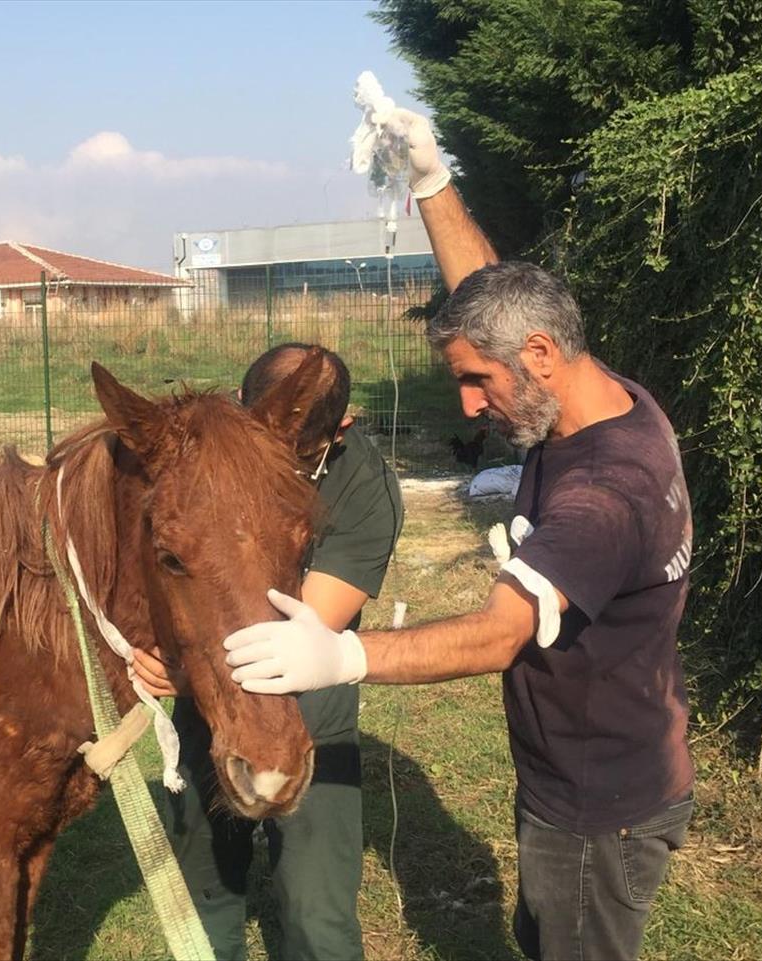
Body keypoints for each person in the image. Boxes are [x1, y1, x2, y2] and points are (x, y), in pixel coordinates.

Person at [222, 108, 695, 961]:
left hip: (599, 801)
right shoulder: (586, 395)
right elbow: (490, 298)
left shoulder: (605, 495)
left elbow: (498, 633)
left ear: (541, 356)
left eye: (480, 383)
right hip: (590, 773)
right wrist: (432, 180)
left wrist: (348, 659)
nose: (471, 406)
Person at [132, 343, 403, 961]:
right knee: (205, 892)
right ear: (241, 405)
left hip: (312, 700)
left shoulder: (364, 484)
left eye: (302, 452)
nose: (276, 461)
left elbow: (302, 628)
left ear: (344, 426)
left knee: (317, 911)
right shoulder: (218, 449)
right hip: (212, 693)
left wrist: (180, 667)